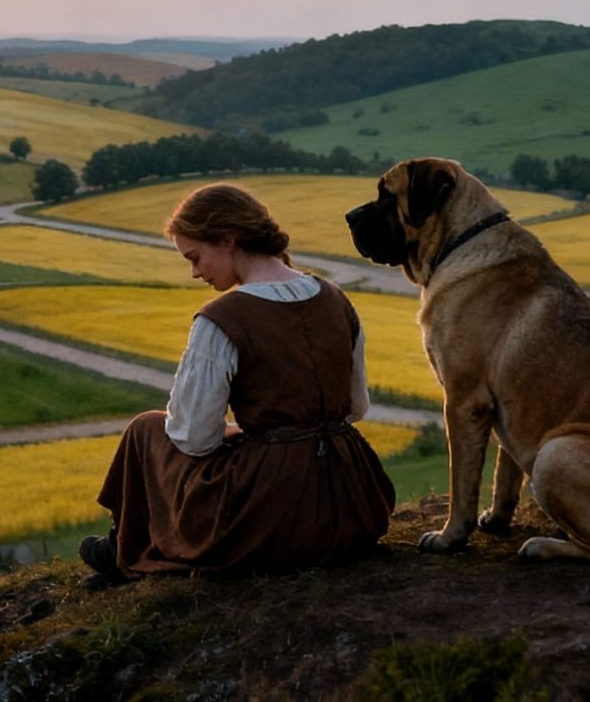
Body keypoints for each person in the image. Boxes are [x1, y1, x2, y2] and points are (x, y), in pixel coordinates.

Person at [82, 184, 396, 582]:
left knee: (146, 429)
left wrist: (245, 433)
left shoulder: (223, 318)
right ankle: (121, 546)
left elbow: (194, 437)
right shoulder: (335, 298)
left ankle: (123, 548)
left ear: (227, 239)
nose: (195, 272)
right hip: (355, 506)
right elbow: (355, 408)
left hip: (272, 518)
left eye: (195, 257)